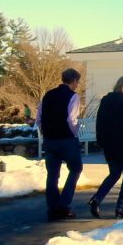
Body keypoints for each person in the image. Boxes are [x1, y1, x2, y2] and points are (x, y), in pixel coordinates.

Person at [37, 68, 84, 221]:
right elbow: (71, 119)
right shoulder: (73, 96)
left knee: (52, 174)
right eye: (77, 82)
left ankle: (52, 205)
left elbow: (39, 118)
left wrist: (45, 132)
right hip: (66, 139)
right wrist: (75, 133)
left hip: (50, 139)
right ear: (75, 81)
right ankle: (63, 204)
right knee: (76, 168)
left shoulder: (48, 95)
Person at [90, 76, 123, 219]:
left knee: (114, 174)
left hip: (109, 145)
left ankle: (97, 198)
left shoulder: (105, 100)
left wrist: (101, 141)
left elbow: (99, 122)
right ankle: (121, 207)